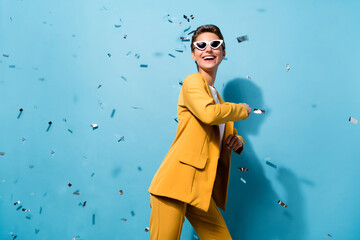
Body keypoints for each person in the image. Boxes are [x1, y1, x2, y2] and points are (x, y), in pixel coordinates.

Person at [148, 24, 252, 240]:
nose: (208, 49)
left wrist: (238, 141)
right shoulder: (192, 82)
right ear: (193, 54)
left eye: (215, 44)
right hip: (175, 184)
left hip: (199, 190)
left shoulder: (217, 99)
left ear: (223, 53)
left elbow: (218, 132)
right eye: (201, 45)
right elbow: (208, 114)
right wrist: (241, 110)